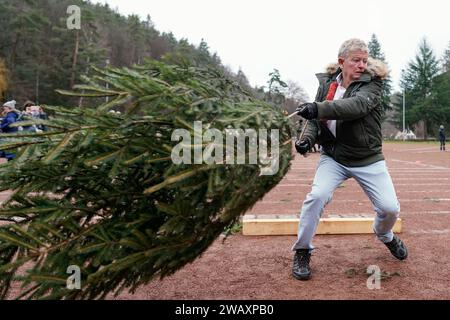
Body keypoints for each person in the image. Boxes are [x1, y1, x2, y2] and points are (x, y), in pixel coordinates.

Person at [292, 39, 408, 281]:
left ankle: (385, 236)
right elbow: (315, 120)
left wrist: (317, 108)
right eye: (356, 60)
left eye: (365, 60)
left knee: (389, 209)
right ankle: (302, 250)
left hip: (368, 158)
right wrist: (307, 139)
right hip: (334, 157)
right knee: (316, 197)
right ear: (342, 61)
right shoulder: (327, 84)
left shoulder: (372, 84)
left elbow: (352, 107)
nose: (362, 65)